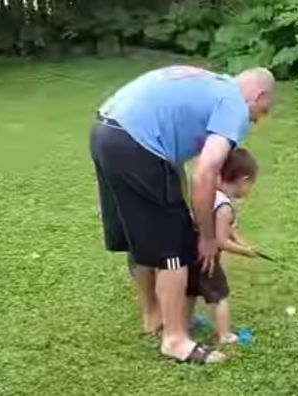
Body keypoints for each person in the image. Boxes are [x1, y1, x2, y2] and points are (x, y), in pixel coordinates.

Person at [89, 65, 274, 363]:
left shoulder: (210, 85)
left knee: (141, 232)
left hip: (106, 131)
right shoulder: (235, 106)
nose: (255, 120)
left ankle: (152, 315)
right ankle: (175, 340)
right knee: (175, 245)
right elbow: (205, 174)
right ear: (259, 95)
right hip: (138, 143)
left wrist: (186, 207)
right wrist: (208, 237)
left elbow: (175, 161)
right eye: (262, 113)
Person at [187, 148, 258, 344]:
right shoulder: (224, 207)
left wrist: (245, 243)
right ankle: (225, 335)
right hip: (207, 257)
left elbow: (229, 231)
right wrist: (244, 252)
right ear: (243, 180)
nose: (249, 190)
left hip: (190, 250)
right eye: (251, 184)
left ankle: (184, 325)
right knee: (220, 295)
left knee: (191, 290)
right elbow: (221, 240)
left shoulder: (209, 194)